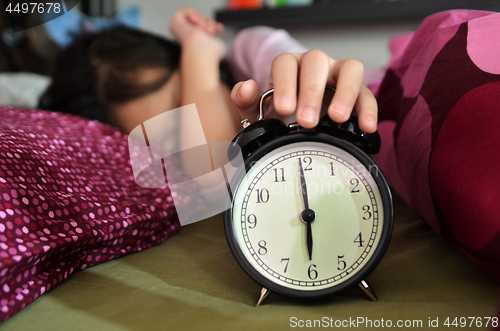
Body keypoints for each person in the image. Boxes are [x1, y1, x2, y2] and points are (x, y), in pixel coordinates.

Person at [39, 7, 378, 151]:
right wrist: (197, 49)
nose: (192, 137)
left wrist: (198, 46)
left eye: (181, 101)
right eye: (172, 138)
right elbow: (217, 169)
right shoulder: (191, 172)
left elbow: (217, 159)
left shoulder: (252, 52)